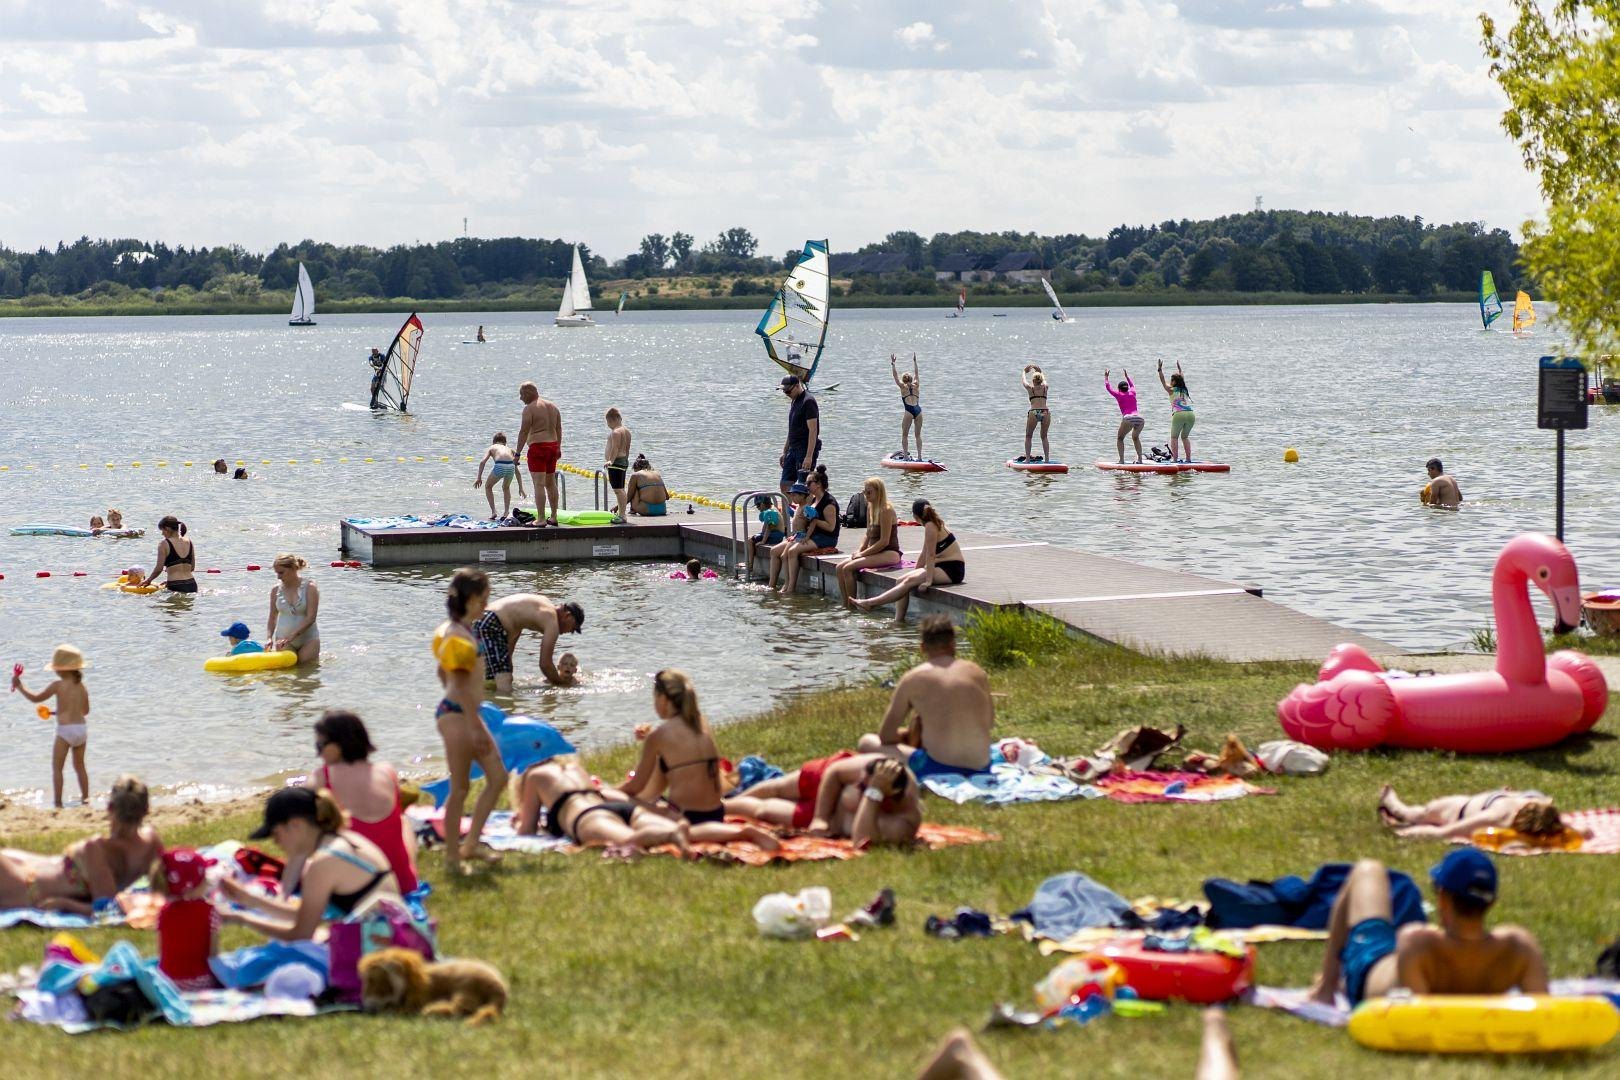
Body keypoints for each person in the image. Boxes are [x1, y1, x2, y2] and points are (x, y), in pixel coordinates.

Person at [1306, 852, 1547, 1008]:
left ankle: (1327, 987)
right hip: (1399, 964)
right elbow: (1544, 1013)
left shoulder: (1418, 943)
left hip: (1369, 968)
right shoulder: (1519, 947)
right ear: (1491, 903)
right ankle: (1329, 984)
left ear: (1442, 899)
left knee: (1368, 869)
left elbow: (1418, 1022)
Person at [620, 670, 779, 850]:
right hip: (716, 812)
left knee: (617, 799)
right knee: (659, 795)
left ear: (663, 699)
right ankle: (730, 832)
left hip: (686, 816)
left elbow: (635, 787)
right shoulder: (699, 723)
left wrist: (609, 792)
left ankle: (742, 834)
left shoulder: (659, 736)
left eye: (655, 698)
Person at [219, 787, 402, 940]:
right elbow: (307, 917)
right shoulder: (345, 840)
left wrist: (242, 918)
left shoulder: (323, 863)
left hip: (380, 953)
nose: (276, 843)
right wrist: (250, 900)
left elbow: (301, 933)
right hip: (394, 938)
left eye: (276, 834)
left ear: (296, 825)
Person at [431, 568, 507, 875]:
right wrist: (474, 724)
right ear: (472, 599)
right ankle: (453, 858)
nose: (487, 603)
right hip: (459, 716)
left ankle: (471, 844)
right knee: (460, 787)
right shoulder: (458, 636)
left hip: (461, 713)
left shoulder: (458, 631)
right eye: (485, 597)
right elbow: (460, 686)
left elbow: (442, 673)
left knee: (498, 777)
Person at [0, 776, 162, 914]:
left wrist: (65, 904)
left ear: (109, 808)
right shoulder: (152, 842)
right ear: (147, 809)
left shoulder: (97, 849)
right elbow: (166, 884)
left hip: (27, 887)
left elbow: (107, 908)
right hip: (29, 873)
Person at [300, 709, 419, 895]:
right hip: (403, 883)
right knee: (403, 821)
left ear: (338, 746)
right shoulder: (387, 771)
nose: (319, 754)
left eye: (320, 745)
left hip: (357, 889)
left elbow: (299, 822)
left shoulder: (322, 778)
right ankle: (408, 866)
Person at [859, 614, 994, 777]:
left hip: (939, 767)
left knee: (867, 742)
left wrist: (910, 735)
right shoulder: (977, 671)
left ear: (922, 647)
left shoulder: (913, 678)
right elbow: (989, 721)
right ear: (953, 644)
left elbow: (886, 736)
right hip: (982, 764)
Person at [725, 753, 921, 845]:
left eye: (864, 786)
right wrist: (821, 817)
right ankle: (721, 806)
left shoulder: (903, 822)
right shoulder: (875, 764)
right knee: (777, 787)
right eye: (861, 783)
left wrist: (873, 792)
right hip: (825, 786)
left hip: (833, 821)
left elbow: (863, 840)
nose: (860, 784)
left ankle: (722, 807)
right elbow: (835, 772)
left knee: (763, 811)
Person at [512, 756, 688, 851]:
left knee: (628, 839)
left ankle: (671, 836)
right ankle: (682, 831)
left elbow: (527, 831)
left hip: (588, 818)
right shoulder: (573, 768)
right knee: (682, 831)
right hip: (617, 808)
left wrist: (518, 823)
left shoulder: (534, 776)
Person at [853, 500, 964, 622]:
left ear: (915, 516)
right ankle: (898, 620)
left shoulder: (931, 526)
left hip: (952, 569)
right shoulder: (931, 525)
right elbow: (924, 554)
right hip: (941, 565)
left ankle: (870, 603)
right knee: (901, 580)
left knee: (910, 581)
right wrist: (915, 571)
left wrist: (928, 581)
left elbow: (931, 555)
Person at [12, 645, 91, 808]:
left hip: (65, 732)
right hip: (81, 731)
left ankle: (57, 802)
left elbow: (35, 698)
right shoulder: (82, 687)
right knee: (80, 766)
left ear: (61, 669)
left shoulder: (57, 685)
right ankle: (86, 799)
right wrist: (60, 711)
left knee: (57, 768)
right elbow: (85, 711)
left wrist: (19, 686)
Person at [1376, 784, 1579, 840]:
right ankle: (1393, 806)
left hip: (1468, 807)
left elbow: (1446, 833)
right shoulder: (1499, 817)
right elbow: (1444, 833)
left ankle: (1393, 806)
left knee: (1418, 816)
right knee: (1417, 816)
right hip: (1461, 807)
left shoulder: (1537, 802)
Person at [474, 592, 584, 692]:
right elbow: (545, 664)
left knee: (497, 679)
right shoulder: (552, 620)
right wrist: (562, 684)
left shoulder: (542, 605)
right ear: (568, 616)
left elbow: (514, 628)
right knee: (501, 681)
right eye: (573, 628)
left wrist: (508, 669)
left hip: (481, 619)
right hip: (489, 623)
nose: (569, 632)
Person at [152, 847, 220, 991]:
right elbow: (213, 956)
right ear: (193, 884)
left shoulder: (164, 912)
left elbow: (162, 953)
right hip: (200, 982)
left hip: (167, 982)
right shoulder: (209, 911)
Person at [770, 466, 840, 595]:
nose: (806, 486)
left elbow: (831, 527)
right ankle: (775, 586)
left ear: (818, 484)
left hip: (825, 538)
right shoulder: (813, 499)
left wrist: (814, 520)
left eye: (809, 483)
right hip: (811, 535)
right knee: (776, 551)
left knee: (792, 551)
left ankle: (791, 588)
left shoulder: (829, 503)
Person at [836, 476, 902, 608]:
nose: (865, 495)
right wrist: (860, 550)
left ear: (879, 492)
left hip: (889, 552)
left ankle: (852, 605)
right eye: (864, 491)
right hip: (873, 551)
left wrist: (863, 554)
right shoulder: (870, 507)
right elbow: (867, 534)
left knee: (848, 568)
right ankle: (845, 603)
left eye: (869, 492)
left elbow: (884, 541)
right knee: (839, 568)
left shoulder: (886, 510)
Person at [515, 381, 563, 526]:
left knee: (539, 484)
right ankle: (554, 517)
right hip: (553, 447)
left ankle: (541, 519)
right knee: (551, 484)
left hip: (538, 448)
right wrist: (558, 447)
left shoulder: (529, 409)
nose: (520, 398)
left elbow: (523, 432)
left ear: (529, 393)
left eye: (522, 395)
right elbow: (559, 428)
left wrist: (517, 453)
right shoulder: (553, 407)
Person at [266, 554, 321, 664]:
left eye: (281, 573)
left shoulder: (310, 588)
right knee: (287, 676)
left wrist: (292, 636)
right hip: (283, 640)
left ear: (293, 568)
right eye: (277, 573)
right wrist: (269, 638)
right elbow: (272, 617)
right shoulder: (275, 590)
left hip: (308, 640)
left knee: (306, 673)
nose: (278, 577)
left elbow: (311, 618)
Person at [779, 374, 821, 494]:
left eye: (788, 391)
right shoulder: (794, 401)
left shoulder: (808, 402)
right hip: (792, 449)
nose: (786, 393)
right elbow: (791, 429)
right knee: (785, 484)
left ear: (797, 385)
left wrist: (809, 456)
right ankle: (789, 512)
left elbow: (813, 431)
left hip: (804, 450)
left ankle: (806, 511)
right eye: (784, 391)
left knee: (804, 487)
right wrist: (785, 451)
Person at [474, 432, 525, 520]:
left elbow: (482, 462)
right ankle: (506, 512)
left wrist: (479, 478)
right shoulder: (510, 449)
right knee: (506, 488)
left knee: (488, 487)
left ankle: (494, 511)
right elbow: (517, 472)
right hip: (511, 467)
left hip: (500, 466)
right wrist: (521, 488)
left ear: (494, 442)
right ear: (505, 443)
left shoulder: (492, 447)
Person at [139, 515, 195, 593]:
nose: (162, 534)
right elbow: (192, 568)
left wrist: (149, 580)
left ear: (167, 529)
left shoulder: (164, 544)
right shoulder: (189, 541)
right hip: (192, 584)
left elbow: (159, 569)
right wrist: (169, 581)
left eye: (162, 530)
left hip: (176, 586)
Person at [1157, 359, 1195, 463]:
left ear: (1174, 382)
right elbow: (1182, 377)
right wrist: (1180, 369)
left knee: (1174, 438)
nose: (1170, 382)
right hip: (1191, 414)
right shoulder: (1184, 389)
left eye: (1171, 380)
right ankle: (1188, 459)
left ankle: (1174, 459)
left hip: (1179, 414)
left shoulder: (1171, 390)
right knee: (1185, 437)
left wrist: (1160, 369)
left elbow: (1162, 381)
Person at [1105, 367, 1145, 464]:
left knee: (1120, 438)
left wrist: (1106, 377)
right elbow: (1132, 385)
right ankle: (1140, 460)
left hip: (1128, 418)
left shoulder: (1118, 394)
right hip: (1140, 419)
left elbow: (1108, 388)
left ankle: (1121, 460)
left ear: (1119, 389)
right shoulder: (1133, 392)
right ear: (1127, 388)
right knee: (1135, 438)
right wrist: (1127, 377)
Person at [744, 493, 784, 579]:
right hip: (776, 534)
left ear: (762, 504)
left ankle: (750, 565)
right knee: (751, 538)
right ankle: (749, 563)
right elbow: (766, 526)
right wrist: (759, 536)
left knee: (750, 540)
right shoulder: (771, 510)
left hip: (775, 535)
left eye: (758, 505)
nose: (757, 508)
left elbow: (769, 528)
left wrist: (763, 541)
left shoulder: (770, 512)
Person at [891, 353, 924, 460]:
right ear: (911, 379)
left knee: (905, 435)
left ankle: (905, 456)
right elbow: (917, 373)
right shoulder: (916, 384)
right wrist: (915, 361)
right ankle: (919, 457)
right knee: (918, 435)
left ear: (904, 380)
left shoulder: (902, 387)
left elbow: (895, 376)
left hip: (909, 411)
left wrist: (893, 363)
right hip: (918, 411)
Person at [604, 409, 632, 523]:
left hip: (616, 463)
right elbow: (627, 448)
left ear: (612, 420)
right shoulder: (627, 431)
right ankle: (622, 513)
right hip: (623, 461)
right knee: (621, 489)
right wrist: (625, 459)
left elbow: (615, 447)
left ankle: (622, 515)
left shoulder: (616, 432)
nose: (608, 425)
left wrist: (610, 460)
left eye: (608, 422)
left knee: (618, 490)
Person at [1020, 365, 1051, 462]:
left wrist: (1024, 372)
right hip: (1045, 412)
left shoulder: (1030, 389)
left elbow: (1024, 382)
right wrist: (1040, 371)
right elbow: (1044, 380)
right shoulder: (1045, 388)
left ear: (1033, 381)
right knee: (1044, 436)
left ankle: (1028, 459)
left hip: (1034, 412)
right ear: (1041, 380)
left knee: (1028, 436)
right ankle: (1047, 460)